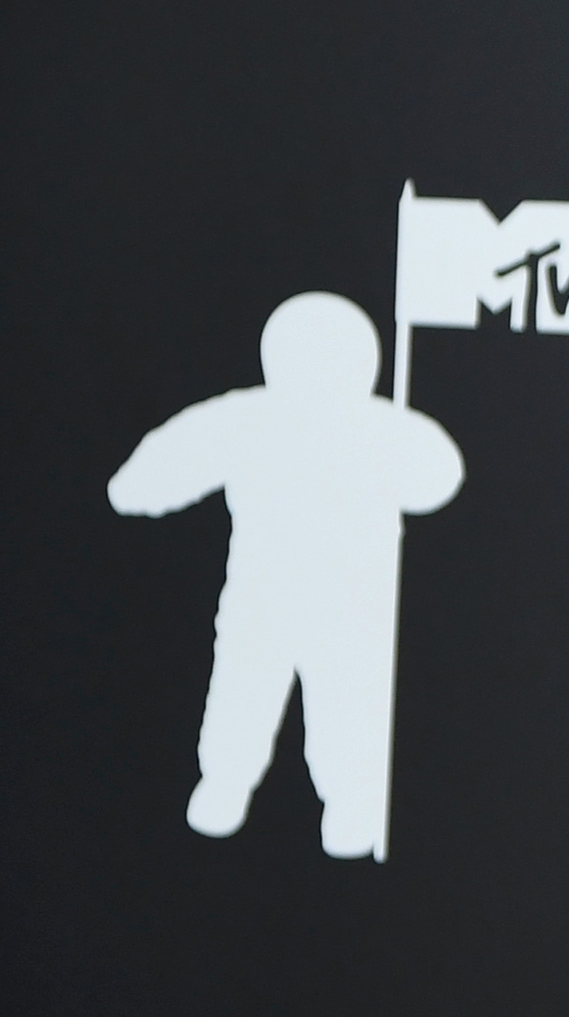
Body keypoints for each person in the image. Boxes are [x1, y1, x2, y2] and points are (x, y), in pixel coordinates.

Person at [107, 289, 463, 860]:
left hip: (347, 603)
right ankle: (231, 785)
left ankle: (346, 803)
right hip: (269, 599)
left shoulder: (376, 430)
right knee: (250, 694)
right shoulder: (256, 420)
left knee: (343, 703)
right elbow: (149, 476)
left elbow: (440, 478)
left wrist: (399, 450)